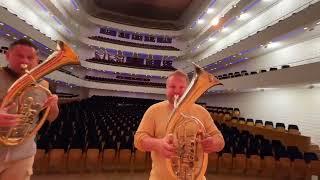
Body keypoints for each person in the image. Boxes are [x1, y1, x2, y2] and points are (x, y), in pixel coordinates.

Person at [134, 70, 225, 180]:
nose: (177, 91)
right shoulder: (153, 110)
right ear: (166, 89)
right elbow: (138, 140)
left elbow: (220, 140)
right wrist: (158, 144)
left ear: (187, 90)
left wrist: (214, 143)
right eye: (172, 87)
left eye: (182, 88)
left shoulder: (202, 112)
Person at [0, 38, 59, 180]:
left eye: (30, 57)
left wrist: (53, 107)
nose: (25, 61)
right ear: (7, 55)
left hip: (23, 154)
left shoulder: (45, 85)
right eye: (19, 56)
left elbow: (51, 118)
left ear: (37, 60)